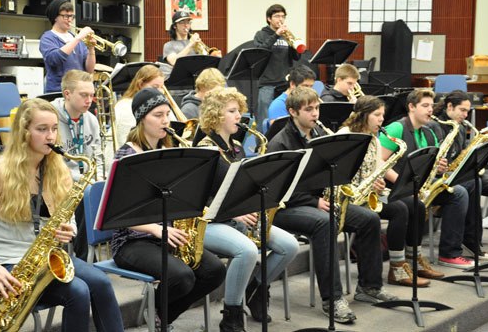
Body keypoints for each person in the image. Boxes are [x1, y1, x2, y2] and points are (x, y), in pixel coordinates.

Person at [0, 98, 125, 331]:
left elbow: (66, 215)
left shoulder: (58, 170)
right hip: (8, 264)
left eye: (54, 129)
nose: (50, 136)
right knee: (78, 292)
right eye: (42, 129)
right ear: (24, 132)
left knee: (101, 283)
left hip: (48, 258)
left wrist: (71, 228)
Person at [268, 86, 397, 325]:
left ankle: (369, 287)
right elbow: (279, 190)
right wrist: (314, 201)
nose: (315, 114)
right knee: (325, 223)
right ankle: (333, 299)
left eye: (317, 108)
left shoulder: (318, 133)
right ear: (293, 112)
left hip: (319, 201)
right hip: (286, 207)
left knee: (369, 219)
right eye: (309, 110)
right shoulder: (280, 143)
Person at [110, 88, 226, 330]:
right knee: (182, 276)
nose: (166, 121)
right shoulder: (126, 156)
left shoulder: (167, 152)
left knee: (214, 270)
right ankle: (157, 313)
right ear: (142, 119)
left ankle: (162, 315)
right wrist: (155, 229)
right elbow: (117, 214)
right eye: (158, 115)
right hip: (131, 241)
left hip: (164, 234)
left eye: (167, 114)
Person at [197, 87, 299, 331]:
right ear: (215, 115)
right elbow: (199, 201)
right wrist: (234, 212)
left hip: (237, 218)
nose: (239, 117)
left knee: (289, 246)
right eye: (232, 111)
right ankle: (231, 316)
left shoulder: (235, 147)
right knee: (246, 251)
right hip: (210, 222)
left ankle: (255, 287)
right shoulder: (205, 150)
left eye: (239, 111)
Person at [338, 95, 443, 287]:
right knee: (399, 209)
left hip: (369, 193)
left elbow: (378, 166)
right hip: (349, 196)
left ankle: (413, 259)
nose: (381, 119)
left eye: (382, 115)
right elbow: (341, 173)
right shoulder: (346, 134)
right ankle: (396, 267)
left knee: (416, 205)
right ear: (363, 115)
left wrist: (377, 181)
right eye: (377, 115)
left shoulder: (374, 137)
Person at [379, 89, 474, 269]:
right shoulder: (396, 128)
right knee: (414, 205)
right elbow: (380, 162)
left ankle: (449, 253)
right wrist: (403, 182)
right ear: (411, 107)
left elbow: (431, 163)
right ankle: (406, 261)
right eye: (425, 106)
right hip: (394, 187)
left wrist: (439, 167)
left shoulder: (428, 132)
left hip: (419, 185)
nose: (430, 110)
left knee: (458, 193)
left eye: (431, 105)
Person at [431, 90, 488, 260]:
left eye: (468, 111)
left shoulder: (458, 125)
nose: (466, 115)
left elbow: (463, 153)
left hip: (464, 171)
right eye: (463, 110)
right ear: (449, 106)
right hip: (449, 176)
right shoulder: (437, 126)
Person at [50, 69, 102, 261]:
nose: (89, 100)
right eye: (84, 95)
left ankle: (86, 257)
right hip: (58, 181)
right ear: (67, 94)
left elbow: (97, 154)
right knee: (84, 198)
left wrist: (100, 178)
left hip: (83, 180)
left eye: (91, 95)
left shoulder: (90, 119)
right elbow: (50, 163)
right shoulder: (51, 118)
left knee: (99, 192)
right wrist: (81, 181)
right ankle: (82, 258)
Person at [253, 4, 301, 131]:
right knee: (264, 118)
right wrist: (275, 35)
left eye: (283, 16)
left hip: (284, 83)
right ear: (269, 18)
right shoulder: (261, 34)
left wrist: (295, 45)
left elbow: (296, 57)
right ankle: (262, 146)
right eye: (277, 16)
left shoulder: (286, 36)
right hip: (267, 83)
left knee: (285, 117)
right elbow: (260, 52)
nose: (280, 19)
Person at [40, 0, 96, 93]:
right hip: (57, 91)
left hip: (78, 91)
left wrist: (91, 49)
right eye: (66, 16)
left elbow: (89, 70)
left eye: (72, 16)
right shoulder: (47, 37)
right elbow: (54, 59)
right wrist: (77, 39)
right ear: (55, 17)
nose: (70, 20)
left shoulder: (76, 38)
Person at [114, 64, 165, 147]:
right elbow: (123, 139)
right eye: (155, 87)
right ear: (140, 84)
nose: (160, 92)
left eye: (161, 87)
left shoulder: (159, 104)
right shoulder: (125, 106)